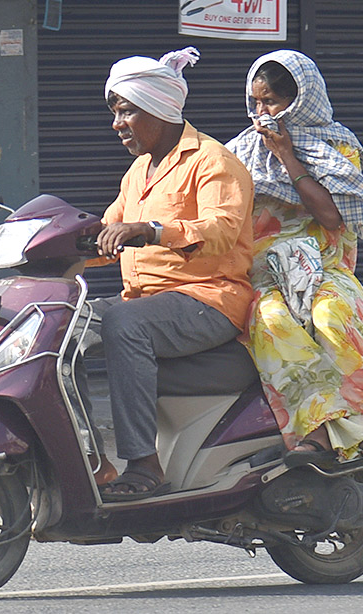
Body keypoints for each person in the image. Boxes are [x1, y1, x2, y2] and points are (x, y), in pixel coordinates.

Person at [84, 47, 254, 501]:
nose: (117, 123)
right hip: (147, 304)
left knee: (123, 323)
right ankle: (91, 464)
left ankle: (143, 466)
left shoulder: (214, 161)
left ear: (159, 109)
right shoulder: (139, 170)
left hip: (209, 299)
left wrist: (153, 230)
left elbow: (220, 231)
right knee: (61, 325)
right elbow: (107, 233)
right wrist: (52, 247)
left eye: (126, 112)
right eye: (115, 113)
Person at [226, 50, 363, 466]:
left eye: (270, 101)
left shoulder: (338, 147)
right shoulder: (242, 152)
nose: (261, 112)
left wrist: (288, 157)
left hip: (322, 268)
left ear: (301, 99)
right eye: (255, 102)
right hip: (267, 273)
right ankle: (316, 429)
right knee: (270, 321)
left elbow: (330, 216)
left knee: (329, 317)